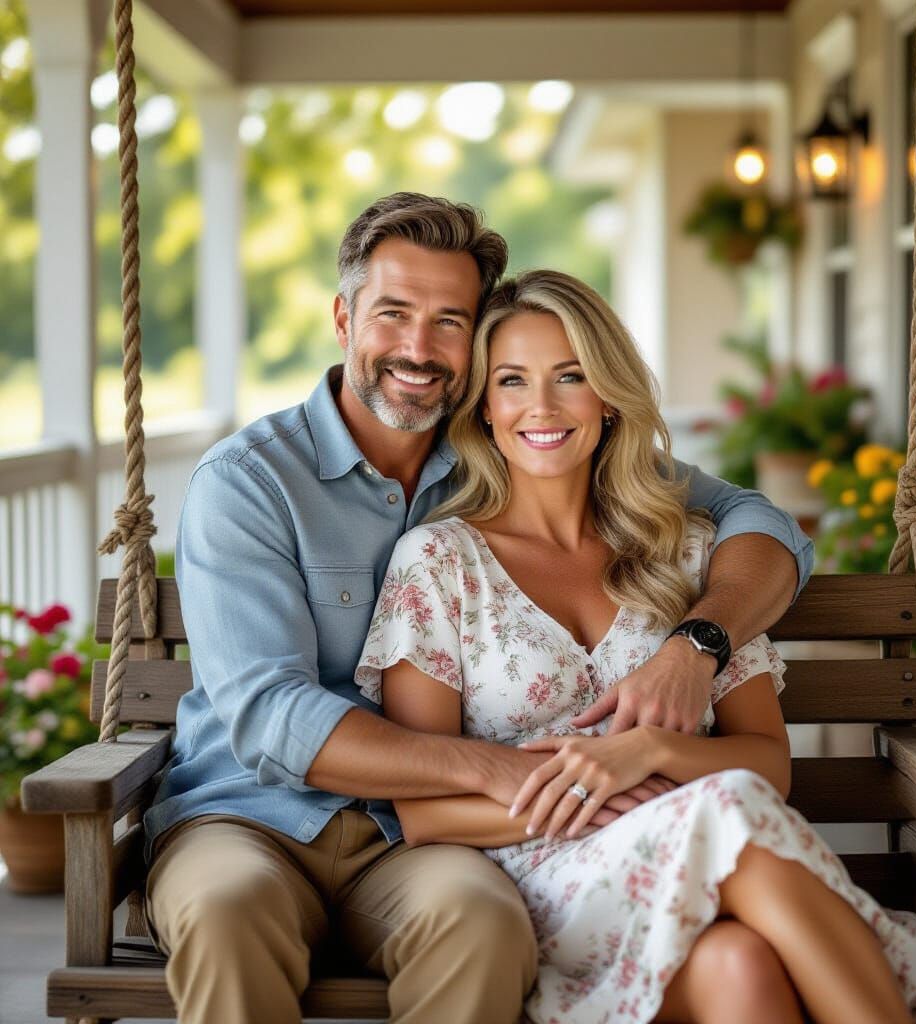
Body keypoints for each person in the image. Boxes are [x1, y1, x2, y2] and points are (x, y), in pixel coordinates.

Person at [144, 193, 814, 1024]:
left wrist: (696, 645)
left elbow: (760, 522)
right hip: (248, 818)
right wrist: (503, 770)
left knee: (482, 926)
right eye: (393, 314)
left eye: (450, 322)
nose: (418, 349)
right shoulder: (251, 482)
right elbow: (269, 713)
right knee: (227, 914)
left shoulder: (508, 448)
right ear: (344, 319)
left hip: (418, 841)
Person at [354, 269, 916, 1024]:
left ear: (608, 397)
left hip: (703, 850)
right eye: (512, 381)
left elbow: (769, 764)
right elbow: (425, 814)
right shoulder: (439, 563)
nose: (542, 407)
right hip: (531, 881)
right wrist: (600, 796)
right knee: (726, 809)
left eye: (570, 376)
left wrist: (648, 754)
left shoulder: (689, 553)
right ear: (484, 407)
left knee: (741, 966)